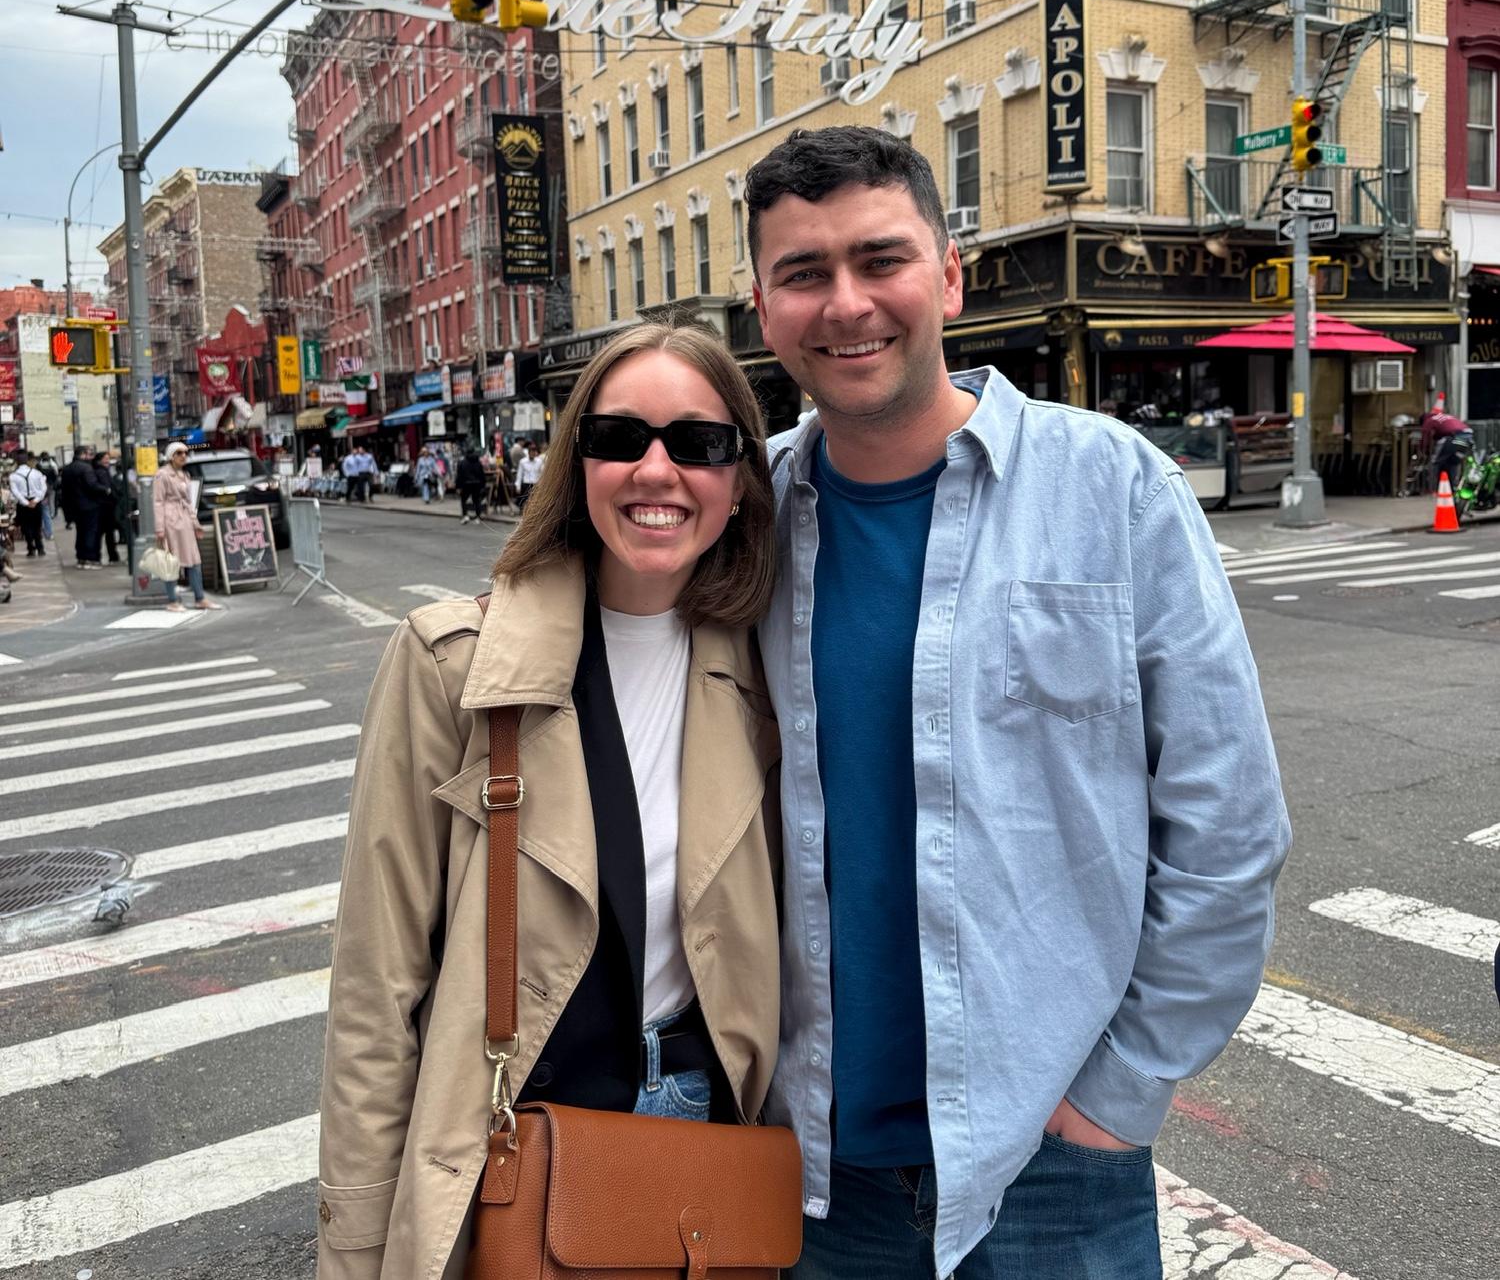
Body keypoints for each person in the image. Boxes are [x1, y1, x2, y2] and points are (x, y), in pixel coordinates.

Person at [745, 126, 1291, 1280]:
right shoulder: (743, 525)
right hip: (811, 1174)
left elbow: (1226, 824)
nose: (845, 304)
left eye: (878, 259)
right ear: (762, 305)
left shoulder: (1113, 486)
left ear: (949, 273)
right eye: (803, 273)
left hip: (1052, 1162)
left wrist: (1118, 1096)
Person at [318, 321, 781, 1279]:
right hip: (512, 1175)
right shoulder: (453, 667)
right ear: (578, 466)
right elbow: (376, 995)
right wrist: (359, 1249)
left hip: (708, 1171)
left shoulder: (773, 675)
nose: (657, 471)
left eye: (696, 445)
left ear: (738, 483)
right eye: (620, 439)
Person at [152, 441, 221, 612]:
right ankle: (173, 600)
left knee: (194, 560)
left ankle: (200, 598)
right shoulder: (162, 475)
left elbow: (188, 502)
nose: (184, 456)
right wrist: (160, 528)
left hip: (185, 521)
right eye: (179, 453)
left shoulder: (184, 474)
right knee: (172, 561)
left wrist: (195, 523)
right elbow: (158, 502)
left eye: (185, 452)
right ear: (171, 456)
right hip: (171, 521)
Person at [60, 446, 108, 569]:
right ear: (83, 455)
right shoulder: (86, 468)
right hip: (89, 505)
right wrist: (106, 489)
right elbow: (92, 485)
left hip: (74, 506)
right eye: (89, 454)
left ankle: (81, 558)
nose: (91, 457)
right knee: (90, 532)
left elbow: (64, 490)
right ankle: (89, 559)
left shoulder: (67, 469)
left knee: (80, 531)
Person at [1420, 404, 1472, 495]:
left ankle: (1432, 489)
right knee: (1453, 462)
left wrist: (1424, 451)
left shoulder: (1429, 421)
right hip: (1467, 438)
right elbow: (1445, 429)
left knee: (1435, 463)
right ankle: (1452, 489)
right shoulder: (1446, 416)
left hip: (1454, 438)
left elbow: (1425, 437)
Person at [8, 451, 47, 557]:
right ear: (27, 460)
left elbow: (15, 492)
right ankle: (40, 548)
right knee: (37, 526)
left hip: (22, 504)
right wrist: (36, 500)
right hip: (36, 502)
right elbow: (43, 488)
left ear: (17, 461)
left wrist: (25, 502)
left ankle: (31, 548)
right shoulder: (37, 473)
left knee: (25, 527)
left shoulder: (13, 476)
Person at [93, 450, 123, 564]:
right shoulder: (102, 472)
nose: (107, 461)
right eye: (105, 458)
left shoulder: (99, 471)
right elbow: (108, 488)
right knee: (108, 533)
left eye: (108, 458)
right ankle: (112, 556)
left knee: (102, 533)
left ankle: (99, 556)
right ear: (100, 460)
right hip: (106, 507)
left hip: (102, 507)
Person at [454, 444, 486, 523]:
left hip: (466, 484)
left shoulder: (462, 463)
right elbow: (481, 474)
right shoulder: (478, 462)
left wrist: (458, 486)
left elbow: (460, 475)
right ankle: (478, 516)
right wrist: (483, 485)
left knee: (463, 500)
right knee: (476, 500)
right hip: (476, 484)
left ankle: (465, 515)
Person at [515, 439, 545, 511]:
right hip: (526, 484)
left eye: (534, 452)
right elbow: (519, 475)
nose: (533, 453)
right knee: (525, 502)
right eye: (531, 452)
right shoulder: (523, 462)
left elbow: (542, 474)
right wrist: (518, 486)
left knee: (535, 503)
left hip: (536, 484)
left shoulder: (539, 461)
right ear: (528, 453)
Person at [36, 450, 58, 541]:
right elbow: (56, 476)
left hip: (39, 491)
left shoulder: (38, 467)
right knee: (48, 508)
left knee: (40, 512)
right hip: (49, 488)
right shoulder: (52, 465)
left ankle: (40, 532)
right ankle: (49, 533)